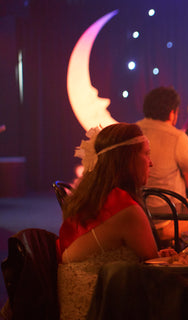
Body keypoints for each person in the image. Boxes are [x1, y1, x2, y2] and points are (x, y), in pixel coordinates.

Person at [57, 123, 171, 320]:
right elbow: (154, 267)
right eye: (146, 154)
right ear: (128, 159)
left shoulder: (88, 198)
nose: (150, 163)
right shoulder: (125, 209)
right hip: (100, 313)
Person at [136, 86, 188, 197]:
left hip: (136, 208)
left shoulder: (131, 131)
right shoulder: (178, 137)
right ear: (172, 113)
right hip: (170, 210)